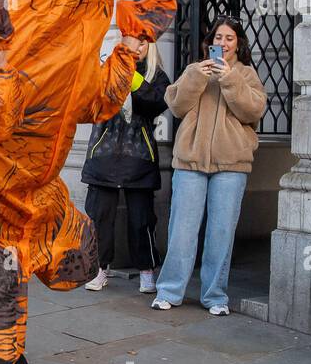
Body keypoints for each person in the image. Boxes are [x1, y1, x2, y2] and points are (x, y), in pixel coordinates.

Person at [151, 17, 268, 316]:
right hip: (190, 162)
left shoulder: (246, 74)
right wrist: (195, 77)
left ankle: (215, 296)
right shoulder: (195, 69)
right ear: (210, 41)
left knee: (221, 232)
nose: (223, 43)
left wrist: (229, 79)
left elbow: (253, 111)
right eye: (218, 37)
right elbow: (176, 106)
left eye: (229, 38)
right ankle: (169, 291)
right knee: (182, 230)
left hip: (231, 165)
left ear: (238, 44)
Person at [82, 39, 169, 294]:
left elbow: (157, 103)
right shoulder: (108, 68)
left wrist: (132, 78)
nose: (138, 47)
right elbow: (89, 101)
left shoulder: (157, 75)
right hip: (103, 154)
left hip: (139, 157)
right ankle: (99, 268)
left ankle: (146, 270)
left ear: (150, 46)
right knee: (99, 217)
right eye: (134, 41)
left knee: (142, 220)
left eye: (144, 43)